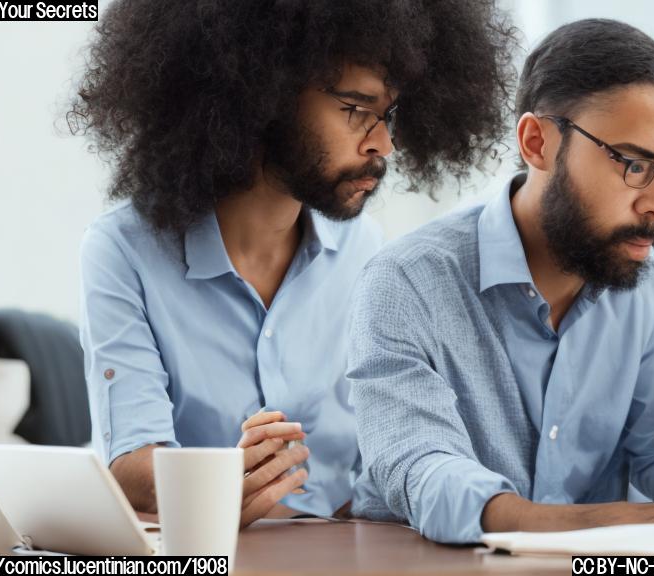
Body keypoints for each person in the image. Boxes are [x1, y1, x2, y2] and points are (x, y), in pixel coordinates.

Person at [71, 0, 517, 528]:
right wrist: (221, 482)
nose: (384, 145)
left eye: (388, 115)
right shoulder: (125, 250)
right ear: (266, 96)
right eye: (356, 109)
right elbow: (128, 465)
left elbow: (380, 460)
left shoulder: (366, 252)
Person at [348, 19, 654, 545]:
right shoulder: (406, 282)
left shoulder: (646, 297)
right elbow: (420, 466)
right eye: (634, 165)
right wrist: (597, 526)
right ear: (536, 142)